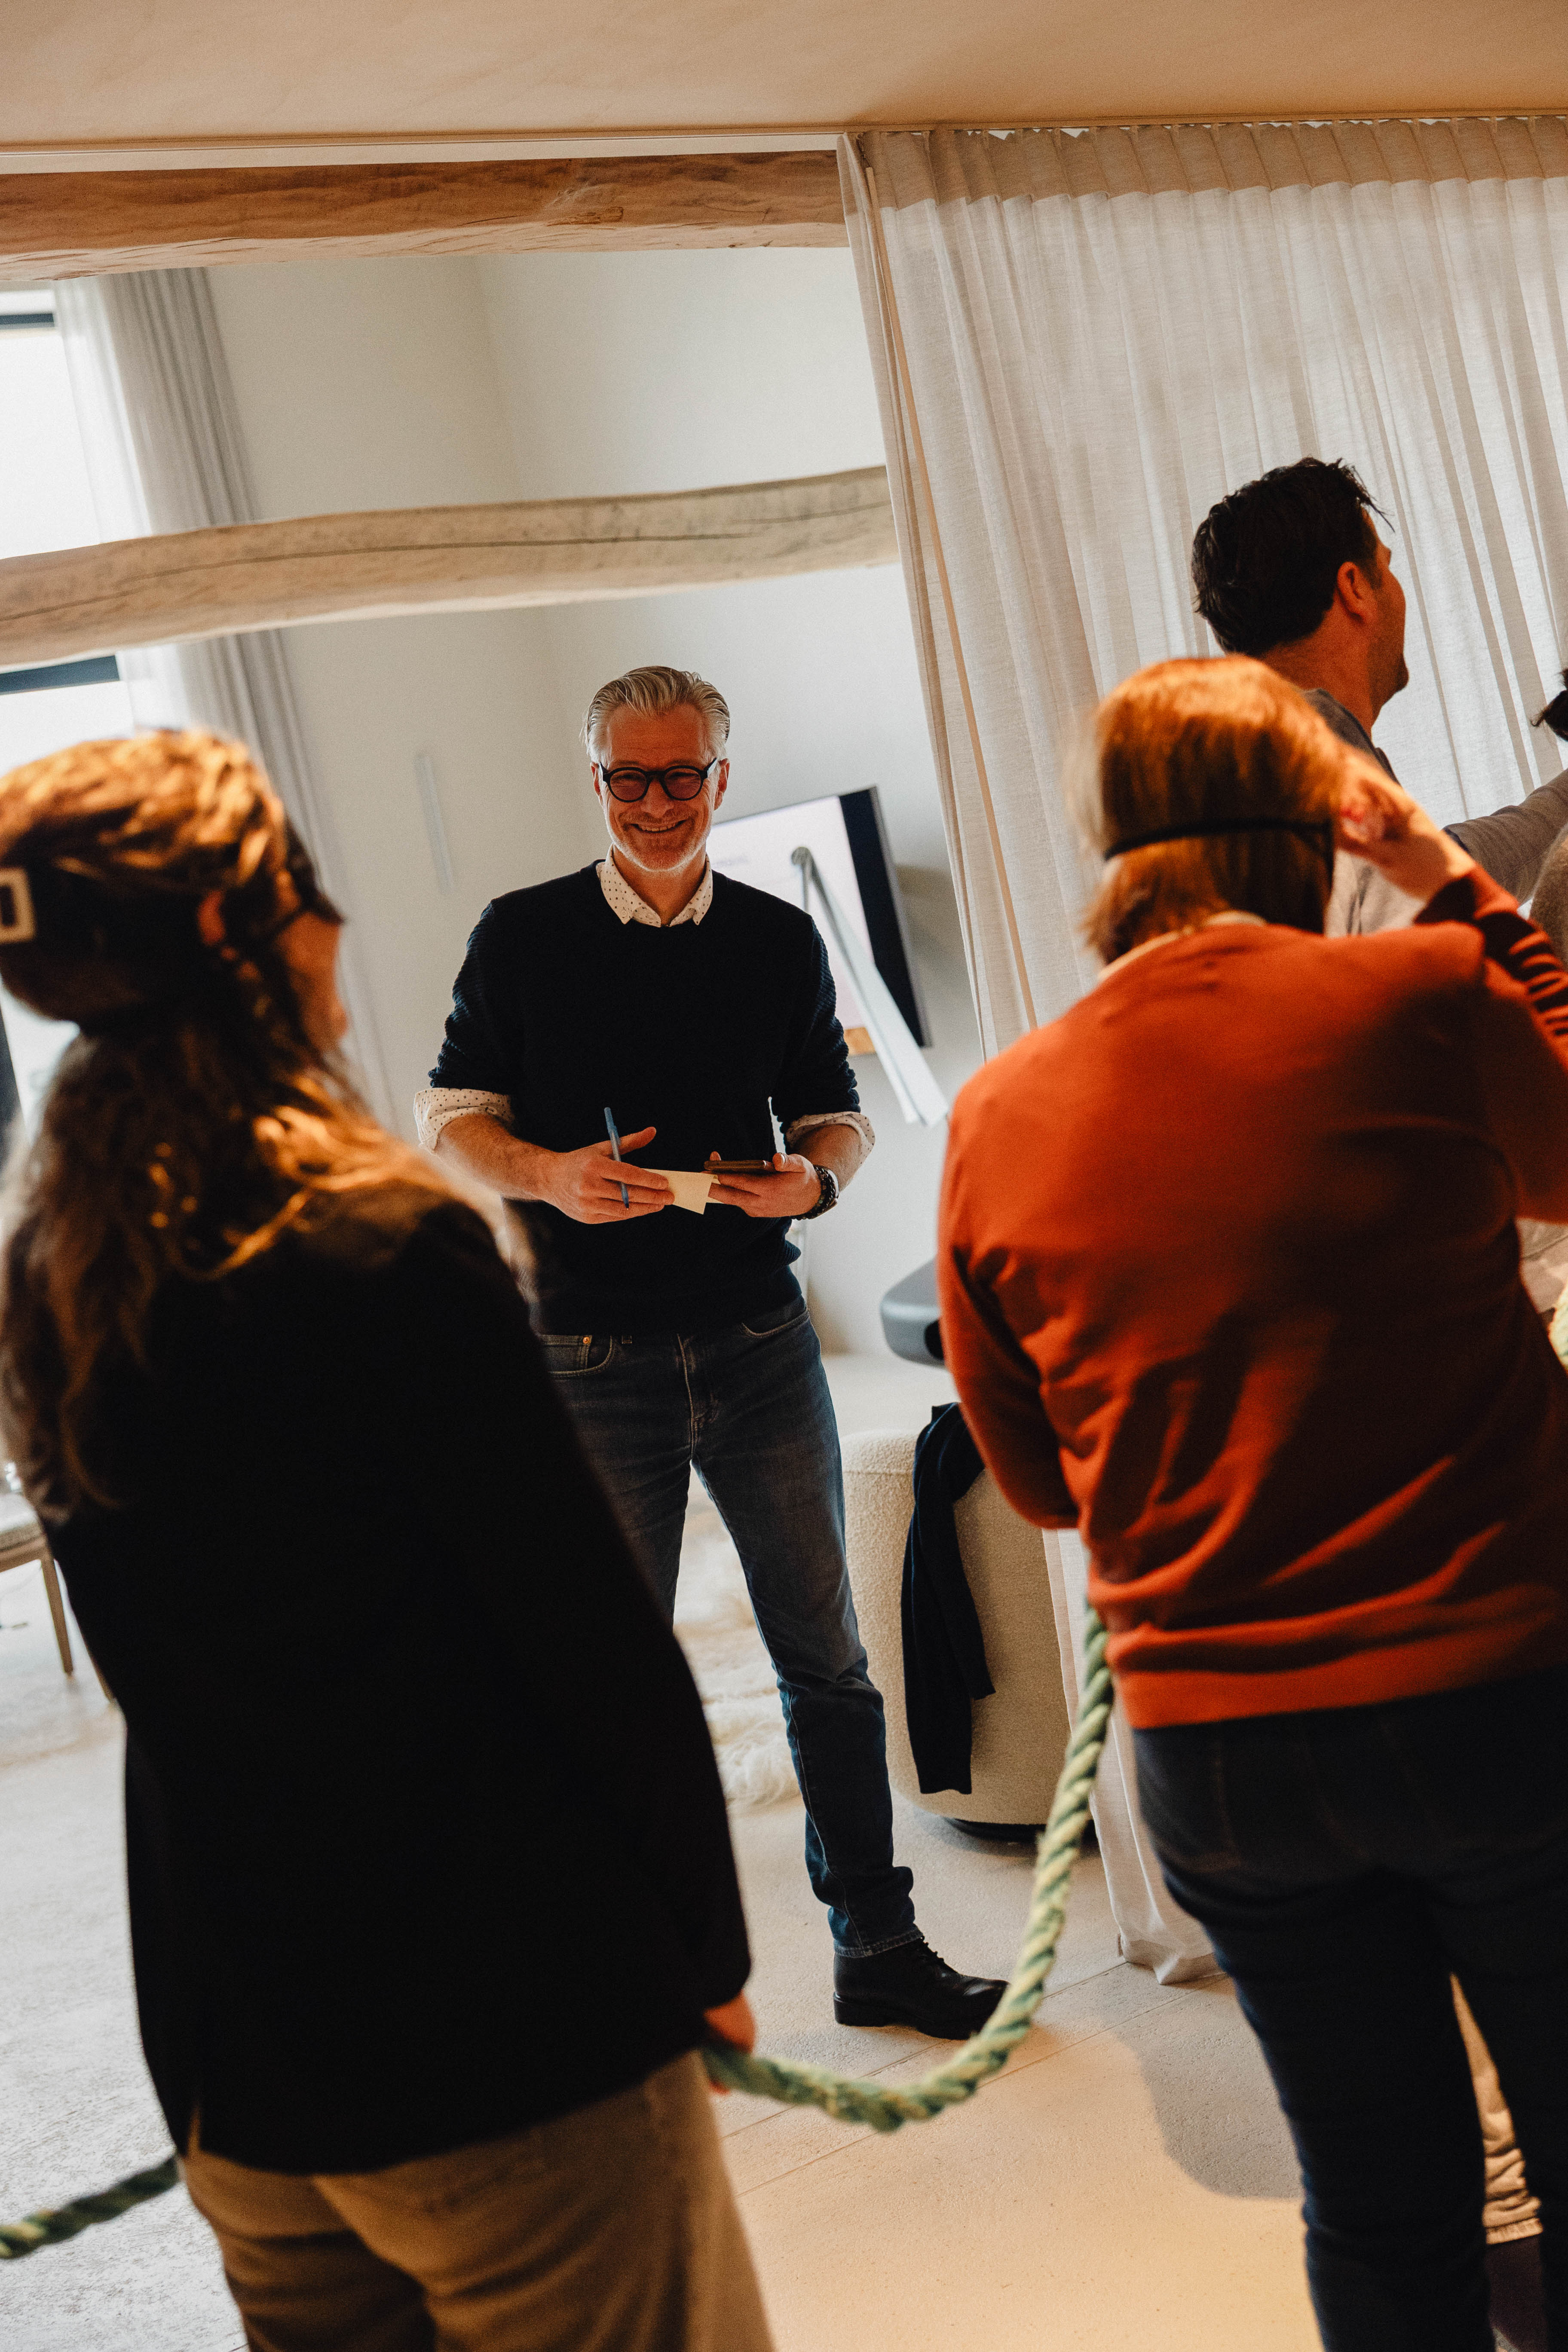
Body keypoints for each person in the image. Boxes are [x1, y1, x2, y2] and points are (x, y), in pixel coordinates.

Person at [0, 729, 774, 2352]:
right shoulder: (380, 1243)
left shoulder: (51, 1266)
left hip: (241, 2063)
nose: (341, 926)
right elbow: (593, 1648)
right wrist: (704, 1951)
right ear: (240, 935)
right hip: (501, 2035)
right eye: (310, 889)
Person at [938, 656, 1568, 2352]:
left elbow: (1037, 1483)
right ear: (1318, 828)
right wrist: (1450, 886)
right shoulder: (1415, 994)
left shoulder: (997, 1112)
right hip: (1497, 1697)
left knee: (1380, 2208)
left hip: (1219, 1760)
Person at [418, 662, 1004, 2041]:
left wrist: (817, 1178)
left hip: (759, 1346)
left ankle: (879, 1943)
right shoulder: (521, 934)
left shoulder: (780, 939)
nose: (658, 802)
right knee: (604, 1676)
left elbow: (836, 1110)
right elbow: (452, 1116)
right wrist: (550, 1177)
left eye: (682, 775)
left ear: (721, 778)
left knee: (827, 1664)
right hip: (588, 1358)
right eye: (630, 778)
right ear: (597, 780)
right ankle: (623, 1974)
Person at [1195, 454, 1560, 2311]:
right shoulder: (1318, 798)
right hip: (1414, 1388)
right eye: (1393, 570)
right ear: (1355, 585)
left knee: (1374, 2170)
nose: (1403, 596)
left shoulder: (1250, 781)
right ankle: (1514, 2211)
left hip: (1301, 1445)